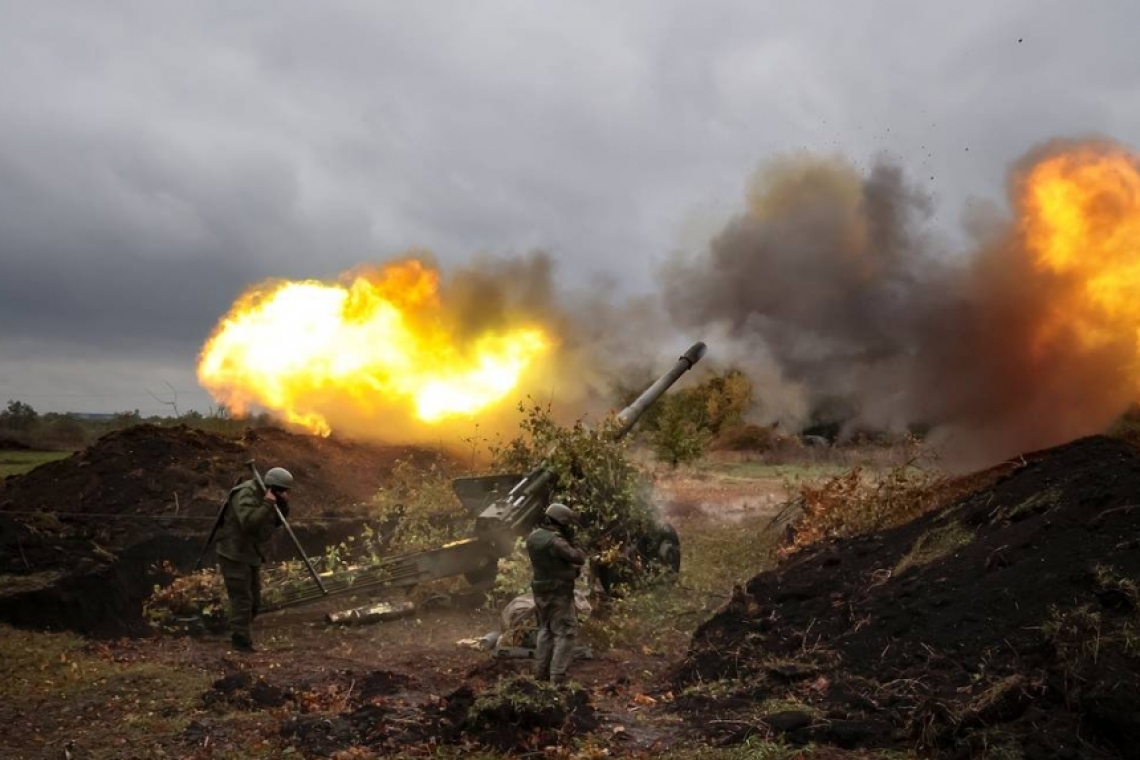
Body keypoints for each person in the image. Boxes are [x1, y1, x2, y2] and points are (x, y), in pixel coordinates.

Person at [215, 466, 294, 652]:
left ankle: (239, 630)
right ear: (271, 486)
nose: (282, 493)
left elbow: (276, 522)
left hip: (251, 553)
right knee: (242, 599)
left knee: (255, 602)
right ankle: (241, 643)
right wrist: (267, 504)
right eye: (280, 490)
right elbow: (249, 523)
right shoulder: (246, 493)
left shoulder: (268, 494)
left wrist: (282, 504)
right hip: (233, 553)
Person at [524, 502, 586, 685]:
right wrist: (576, 543)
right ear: (561, 522)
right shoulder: (556, 541)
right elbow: (578, 557)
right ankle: (557, 678)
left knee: (545, 630)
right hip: (558, 592)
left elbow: (553, 563)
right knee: (565, 632)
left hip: (540, 591)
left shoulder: (533, 537)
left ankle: (540, 674)